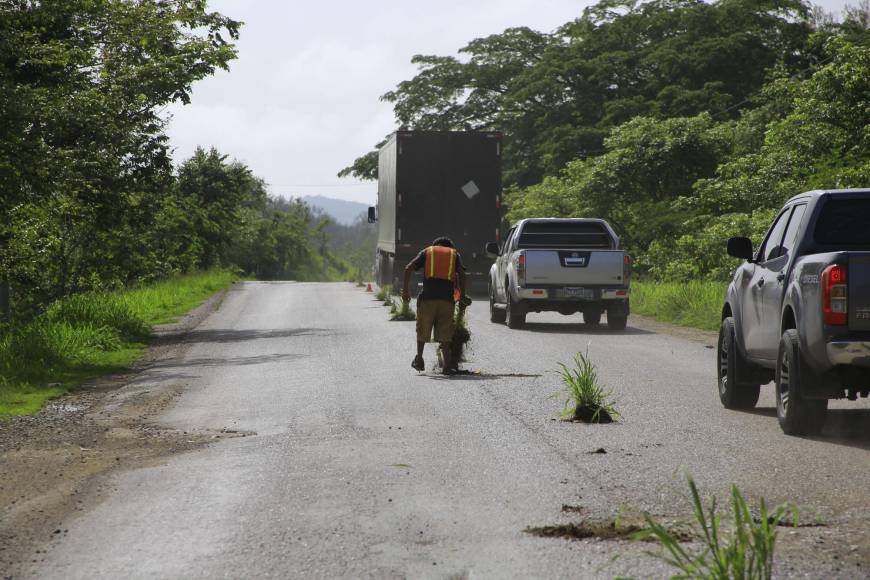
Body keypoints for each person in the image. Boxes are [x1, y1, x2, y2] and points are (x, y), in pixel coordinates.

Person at [402, 236, 466, 374]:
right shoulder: (454, 254)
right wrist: (463, 296)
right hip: (446, 301)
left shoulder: (427, 251)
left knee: (423, 331)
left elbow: (408, 268)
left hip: (427, 300)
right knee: (445, 335)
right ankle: (447, 366)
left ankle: (419, 359)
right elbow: (462, 274)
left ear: (435, 245)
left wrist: (406, 291)